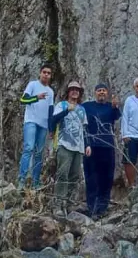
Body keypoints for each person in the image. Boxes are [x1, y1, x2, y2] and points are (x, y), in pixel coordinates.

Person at [51, 81, 91, 215]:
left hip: (78, 147)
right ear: (68, 91)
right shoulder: (61, 105)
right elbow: (53, 120)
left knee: (75, 176)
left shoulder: (82, 109)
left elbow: (85, 128)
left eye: (77, 90)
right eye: (72, 89)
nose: (75, 91)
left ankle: (69, 204)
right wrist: (66, 110)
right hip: (64, 144)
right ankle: (57, 205)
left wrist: (88, 144)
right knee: (62, 174)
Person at [82, 83, 122, 218]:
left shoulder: (111, 107)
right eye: (99, 90)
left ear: (107, 93)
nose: (101, 93)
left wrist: (116, 106)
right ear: (95, 93)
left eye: (104, 91)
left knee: (107, 177)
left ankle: (102, 207)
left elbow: (116, 116)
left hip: (107, 146)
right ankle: (92, 207)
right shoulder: (86, 106)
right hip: (91, 147)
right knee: (91, 177)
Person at [17, 64, 54, 190]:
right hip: (31, 121)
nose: (46, 74)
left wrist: (51, 129)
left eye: (48, 73)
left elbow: (50, 111)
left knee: (39, 153)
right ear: (40, 73)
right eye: (44, 72)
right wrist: (36, 98)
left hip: (43, 125)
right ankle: (21, 180)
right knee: (28, 148)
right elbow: (23, 100)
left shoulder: (51, 92)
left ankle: (35, 182)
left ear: (50, 76)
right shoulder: (32, 85)